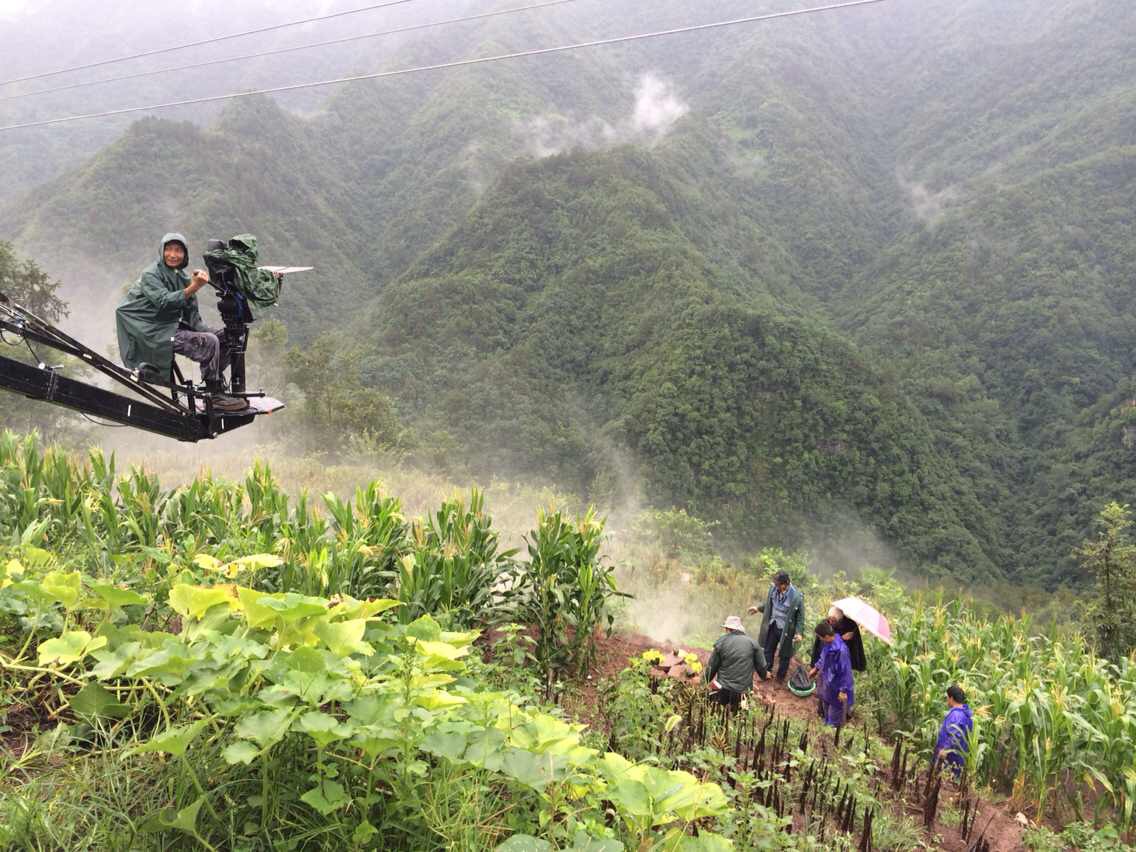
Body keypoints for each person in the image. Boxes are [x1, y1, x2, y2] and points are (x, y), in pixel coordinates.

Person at [115, 233, 245, 411]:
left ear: (185, 254)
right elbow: (164, 301)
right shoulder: (150, 275)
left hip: (170, 327)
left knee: (230, 337)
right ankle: (214, 395)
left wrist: (217, 334)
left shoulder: (182, 278)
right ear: (162, 251)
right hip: (152, 331)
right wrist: (194, 287)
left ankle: (215, 380)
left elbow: (193, 317)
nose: (173, 255)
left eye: (178, 250)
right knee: (209, 343)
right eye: (169, 249)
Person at [749, 570, 806, 682]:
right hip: (773, 624)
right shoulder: (774, 590)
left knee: (785, 654)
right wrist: (758, 608)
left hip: (786, 630)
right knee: (768, 649)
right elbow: (770, 604)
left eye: (778, 584)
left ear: (785, 584)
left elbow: (800, 617)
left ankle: (780, 678)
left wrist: (799, 633)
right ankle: (766, 671)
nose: (775, 586)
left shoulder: (796, 597)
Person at [704, 615, 770, 710]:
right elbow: (762, 667)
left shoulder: (721, 642)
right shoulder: (753, 643)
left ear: (727, 629)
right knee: (739, 718)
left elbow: (711, 668)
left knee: (718, 713)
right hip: (743, 692)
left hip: (723, 690)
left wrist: (703, 683)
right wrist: (765, 675)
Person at [809, 621, 853, 727]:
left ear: (827, 636)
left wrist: (843, 691)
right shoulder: (829, 643)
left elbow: (845, 672)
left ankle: (832, 735)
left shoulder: (841, 651)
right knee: (826, 711)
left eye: (820, 637)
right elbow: (823, 658)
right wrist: (816, 668)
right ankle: (826, 725)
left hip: (837, 688)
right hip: (828, 684)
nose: (820, 639)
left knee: (835, 717)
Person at [810, 606, 867, 672]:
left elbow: (856, 648)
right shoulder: (824, 624)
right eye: (829, 619)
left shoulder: (851, 626)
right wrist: (842, 638)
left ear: (840, 620)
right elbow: (824, 647)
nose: (830, 622)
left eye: (833, 620)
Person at [933, 684, 973, 777]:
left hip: (949, 759)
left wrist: (945, 750)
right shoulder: (966, 714)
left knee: (945, 783)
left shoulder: (956, 715)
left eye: (947, 697)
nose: (947, 700)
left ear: (951, 698)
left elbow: (955, 736)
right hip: (959, 759)